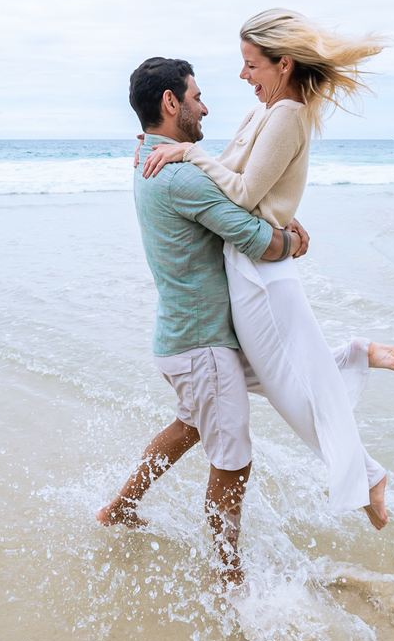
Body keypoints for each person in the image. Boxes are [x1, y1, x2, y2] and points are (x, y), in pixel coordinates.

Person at [138, 9, 394, 530]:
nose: (243, 76)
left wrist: (187, 154)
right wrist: (171, 152)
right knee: (284, 376)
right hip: (253, 271)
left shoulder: (287, 114)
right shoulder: (265, 113)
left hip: (260, 277)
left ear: (282, 65)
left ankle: (366, 473)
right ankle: (356, 364)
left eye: (250, 65)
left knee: (288, 385)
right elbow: (235, 181)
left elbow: (237, 192)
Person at [96, 57, 304, 588]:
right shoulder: (179, 176)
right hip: (203, 345)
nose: (204, 105)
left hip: (181, 338)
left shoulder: (147, 156)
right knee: (233, 461)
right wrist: (294, 241)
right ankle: (228, 577)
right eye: (195, 96)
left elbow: (236, 202)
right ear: (170, 103)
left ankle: (119, 508)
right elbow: (257, 238)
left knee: (190, 426)